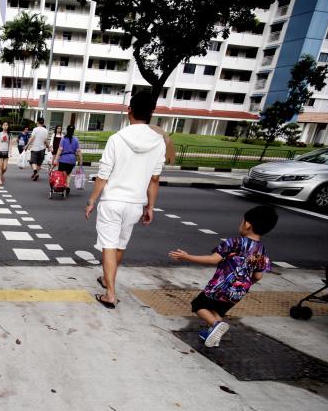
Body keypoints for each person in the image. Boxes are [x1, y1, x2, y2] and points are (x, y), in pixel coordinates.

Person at [84, 91, 165, 309]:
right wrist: (151, 207)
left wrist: (92, 201)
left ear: (129, 110)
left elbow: (103, 175)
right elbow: (154, 179)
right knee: (120, 245)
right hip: (135, 204)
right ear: (151, 112)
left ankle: (110, 294)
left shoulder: (117, 139)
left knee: (109, 246)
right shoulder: (159, 142)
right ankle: (107, 279)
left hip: (112, 201)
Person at [168, 205, 278, 347]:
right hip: (239, 291)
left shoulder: (234, 242)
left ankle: (216, 326)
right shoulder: (261, 250)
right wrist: (245, 283)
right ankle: (213, 337)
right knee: (217, 310)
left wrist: (187, 257)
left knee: (198, 305)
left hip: (220, 286)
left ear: (247, 224)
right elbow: (258, 276)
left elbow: (213, 259)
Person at [52, 124, 82, 195]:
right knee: (69, 173)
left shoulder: (63, 139)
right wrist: (81, 160)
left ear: (67, 130)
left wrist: (56, 159)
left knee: (63, 173)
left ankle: (63, 185)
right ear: (73, 131)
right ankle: (67, 186)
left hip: (63, 159)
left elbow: (60, 149)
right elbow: (79, 151)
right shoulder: (76, 139)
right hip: (72, 159)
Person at [0, 121, 11, 185]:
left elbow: (10, 144)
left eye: (6, 125)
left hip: (6, 152)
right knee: (0, 166)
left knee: (5, 168)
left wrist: (10, 152)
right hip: (0, 152)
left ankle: (1, 175)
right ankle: (0, 180)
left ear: (8, 126)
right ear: (2, 126)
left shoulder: (9, 134)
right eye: (4, 125)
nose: (5, 126)